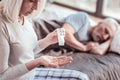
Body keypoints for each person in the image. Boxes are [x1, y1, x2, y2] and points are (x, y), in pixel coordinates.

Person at [0, 0, 89, 80]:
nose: (36, 7)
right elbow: (2, 76)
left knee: (81, 78)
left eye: (39, 2)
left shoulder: (24, 16)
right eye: (31, 1)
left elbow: (25, 52)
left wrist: (48, 40)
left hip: (31, 75)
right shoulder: (2, 26)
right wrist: (38, 61)